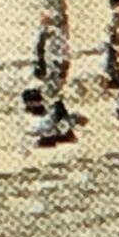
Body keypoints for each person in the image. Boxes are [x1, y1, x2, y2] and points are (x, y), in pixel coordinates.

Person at [24, 8, 76, 147]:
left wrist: (58, 74)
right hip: (46, 73)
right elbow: (38, 54)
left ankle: (50, 134)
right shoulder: (44, 34)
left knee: (49, 103)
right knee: (54, 103)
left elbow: (61, 56)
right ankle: (66, 131)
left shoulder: (55, 36)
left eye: (45, 18)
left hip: (53, 73)